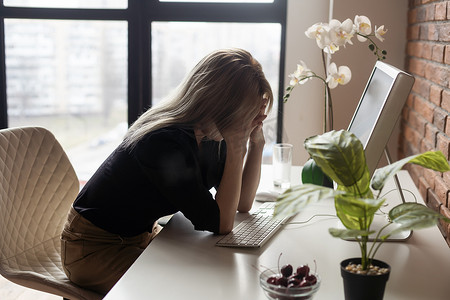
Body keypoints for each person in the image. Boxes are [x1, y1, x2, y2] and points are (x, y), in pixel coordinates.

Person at [60, 48, 273, 295]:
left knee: (206, 274)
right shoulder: (164, 142)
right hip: (91, 248)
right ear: (220, 103)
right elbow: (222, 223)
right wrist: (237, 147)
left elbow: (243, 203)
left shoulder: (211, 135)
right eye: (244, 114)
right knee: (182, 288)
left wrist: (254, 142)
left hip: (139, 236)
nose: (247, 121)